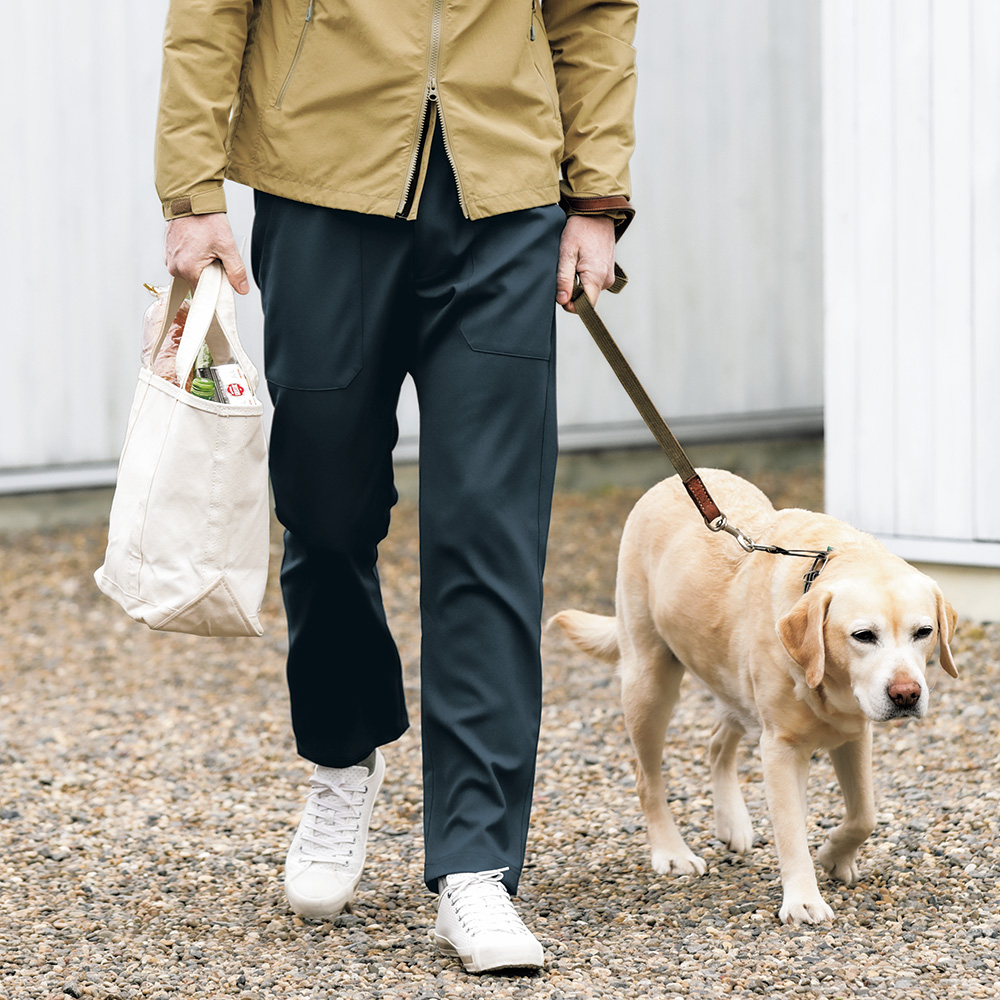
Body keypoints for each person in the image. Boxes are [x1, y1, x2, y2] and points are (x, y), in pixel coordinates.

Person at [155, 0, 637, 974]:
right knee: (324, 513)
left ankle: (476, 865)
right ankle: (343, 754)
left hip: (503, 200)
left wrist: (594, 196)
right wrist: (192, 188)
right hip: (321, 184)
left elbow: (591, 12)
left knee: (488, 531)